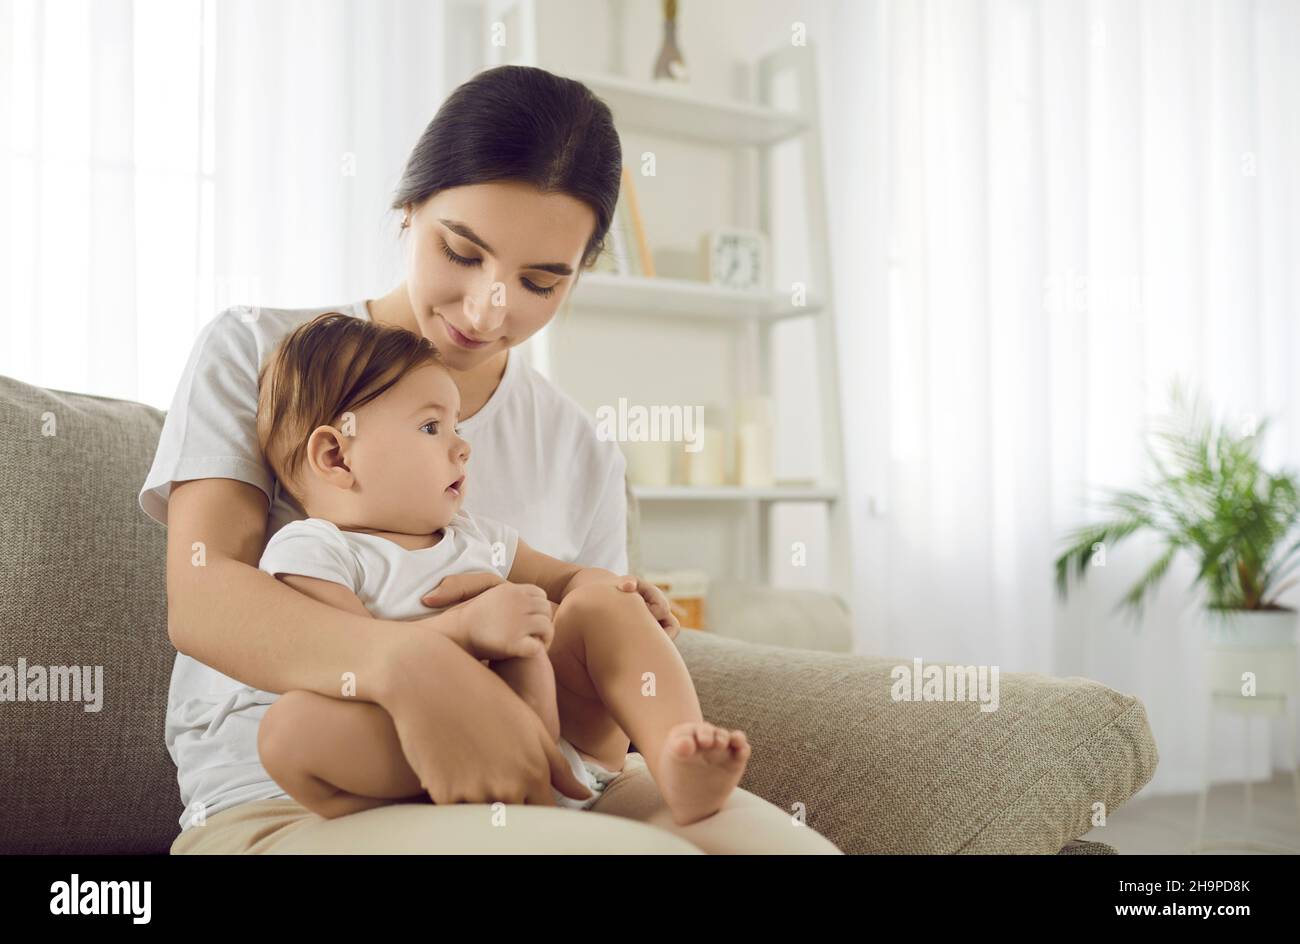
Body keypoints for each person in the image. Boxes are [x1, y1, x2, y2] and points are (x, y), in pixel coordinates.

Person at [139, 63, 842, 854]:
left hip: (563, 781)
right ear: (410, 206)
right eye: (462, 252)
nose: (486, 310)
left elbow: (599, 734)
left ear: (576, 279)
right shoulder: (264, 354)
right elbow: (202, 597)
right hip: (301, 797)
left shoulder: (579, 448)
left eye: (540, 281)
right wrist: (420, 664)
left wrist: (590, 620)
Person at [247, 312, 751, 826]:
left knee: (603, 603)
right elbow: (348, 665)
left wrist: (627, 596)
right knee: (289, 731)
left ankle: (677, 754)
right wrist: (468, 630)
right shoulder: (314, 551)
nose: (462, 446)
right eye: (430, 426)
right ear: (337, 455)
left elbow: (572, 579)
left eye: (456, 426)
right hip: (436, 755)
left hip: (566, 747)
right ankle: (421, 807)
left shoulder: (478, 535)